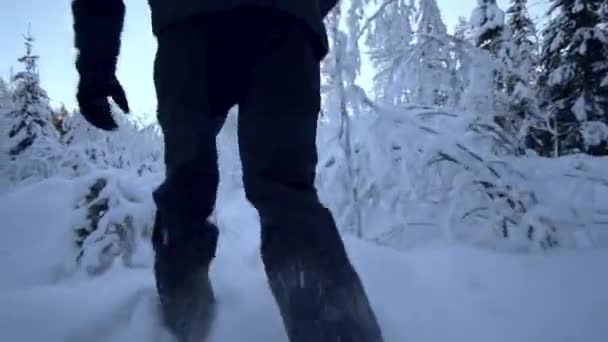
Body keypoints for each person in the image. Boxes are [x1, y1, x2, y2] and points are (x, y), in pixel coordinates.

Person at [71, 1, 383, 341]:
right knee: (286, 193)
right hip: (283, 26)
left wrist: (95, 66)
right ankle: (338, 332)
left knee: (186, 190)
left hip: (191, 30)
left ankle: (185, 329)